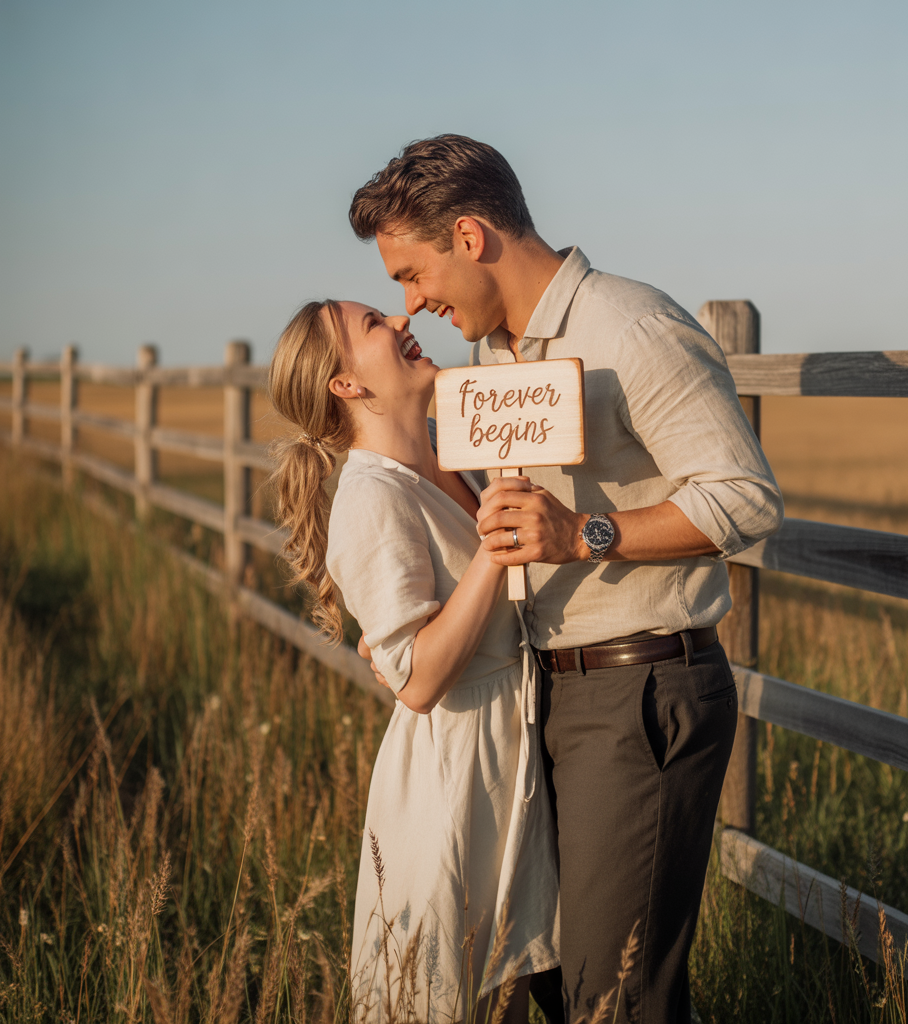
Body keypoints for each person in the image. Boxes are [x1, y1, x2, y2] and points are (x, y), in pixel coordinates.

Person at [348, 135, 785, 1023]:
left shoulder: (632, 328)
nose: (410, 305)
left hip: (641, 686)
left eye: (411, 273)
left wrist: (588, 533)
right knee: (547, 980)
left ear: (469, 236)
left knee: (617, 996)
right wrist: (401, 630)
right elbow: (494, 528)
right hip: (543, 696)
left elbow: (746, 498)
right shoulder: (495, 360)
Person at [267, 299, 559, 1023]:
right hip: (459, 775)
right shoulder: (369, 496)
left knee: (514, 984)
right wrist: (496, 550)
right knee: (469, 995)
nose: (402, 320)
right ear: (347, 385)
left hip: (512, 743)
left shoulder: (446, 446)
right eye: (374, 325)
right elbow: (420, 679)